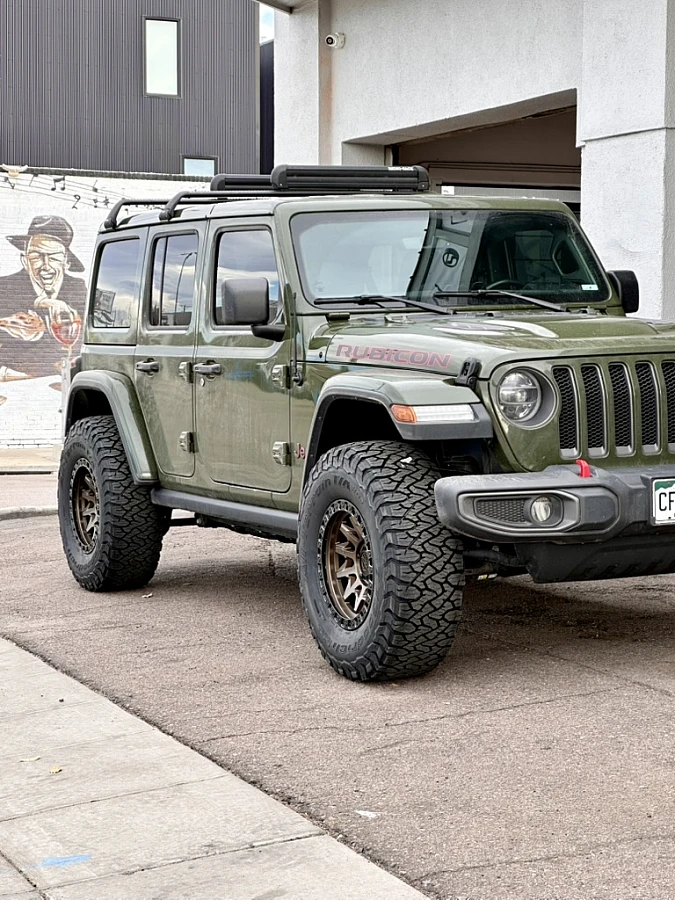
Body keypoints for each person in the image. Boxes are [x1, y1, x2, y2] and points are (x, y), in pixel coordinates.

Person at [0, 215, 87, 379]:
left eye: (54, 257)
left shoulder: (77, 287)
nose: (46, 266)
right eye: (36, 257)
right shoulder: (4, 288)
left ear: (66, 262)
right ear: (25, 261)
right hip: (19, 384)